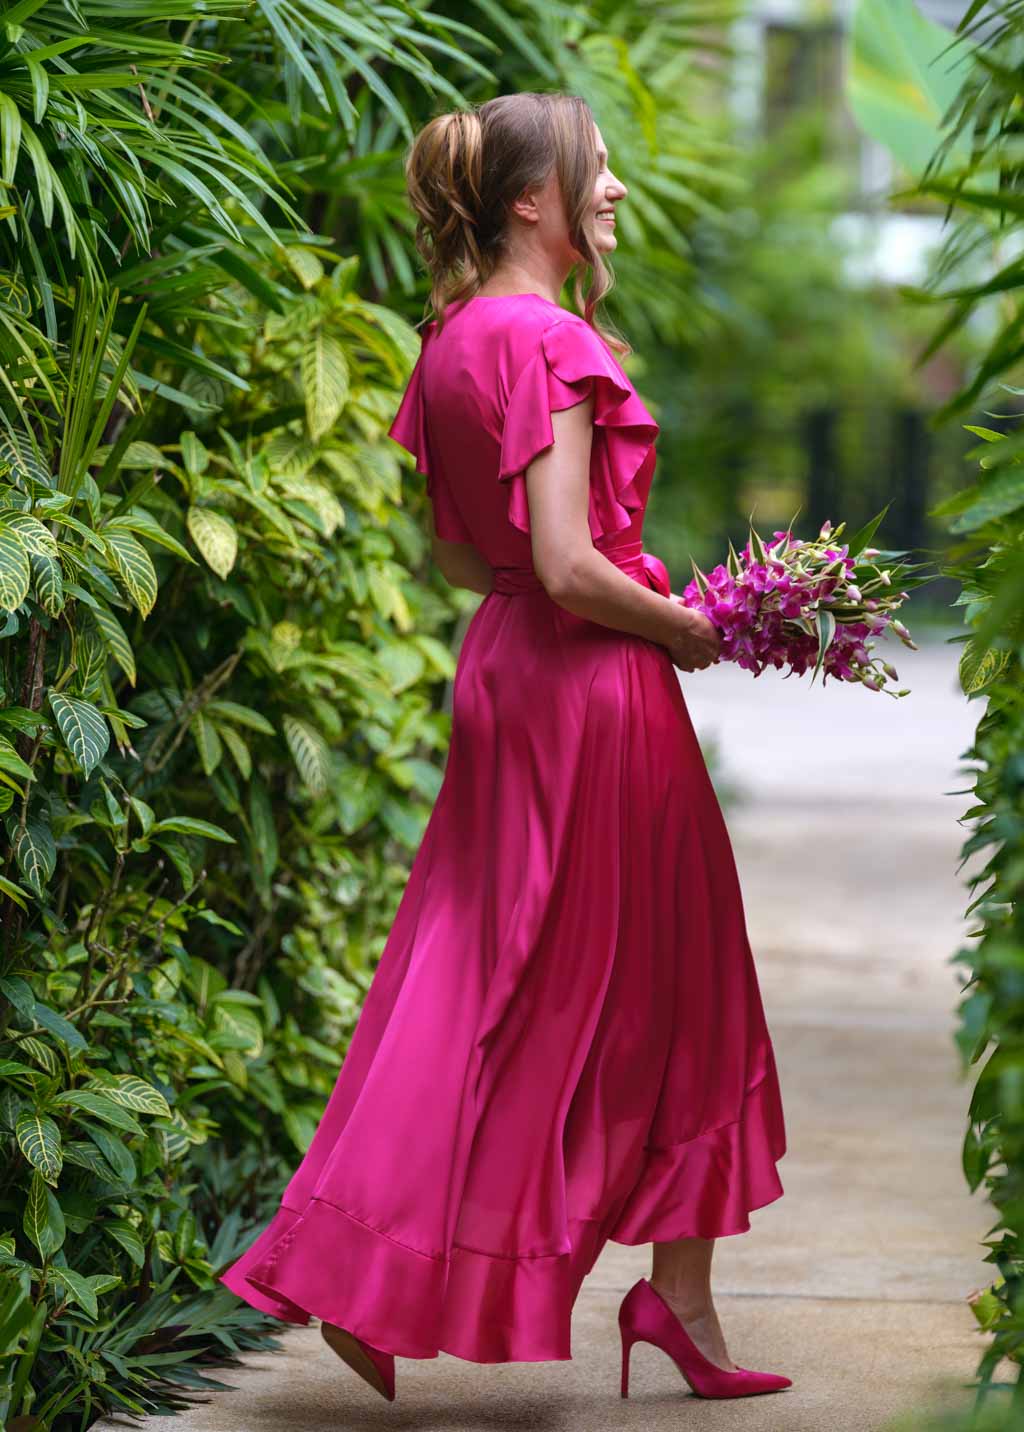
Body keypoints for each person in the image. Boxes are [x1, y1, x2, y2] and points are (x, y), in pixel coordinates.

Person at [219, 90, 791, 1404]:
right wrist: (684, 625)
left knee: (481, 972)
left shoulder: (455, 341)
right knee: (661, 983)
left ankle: (645, 1299)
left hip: (512, 675)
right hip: (594, 691)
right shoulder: (546, 343)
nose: (616, 194)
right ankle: (389, 1269)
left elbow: (461, 557)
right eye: (598, 174)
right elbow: (562, 560)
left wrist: (584, 603)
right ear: (530, 200)